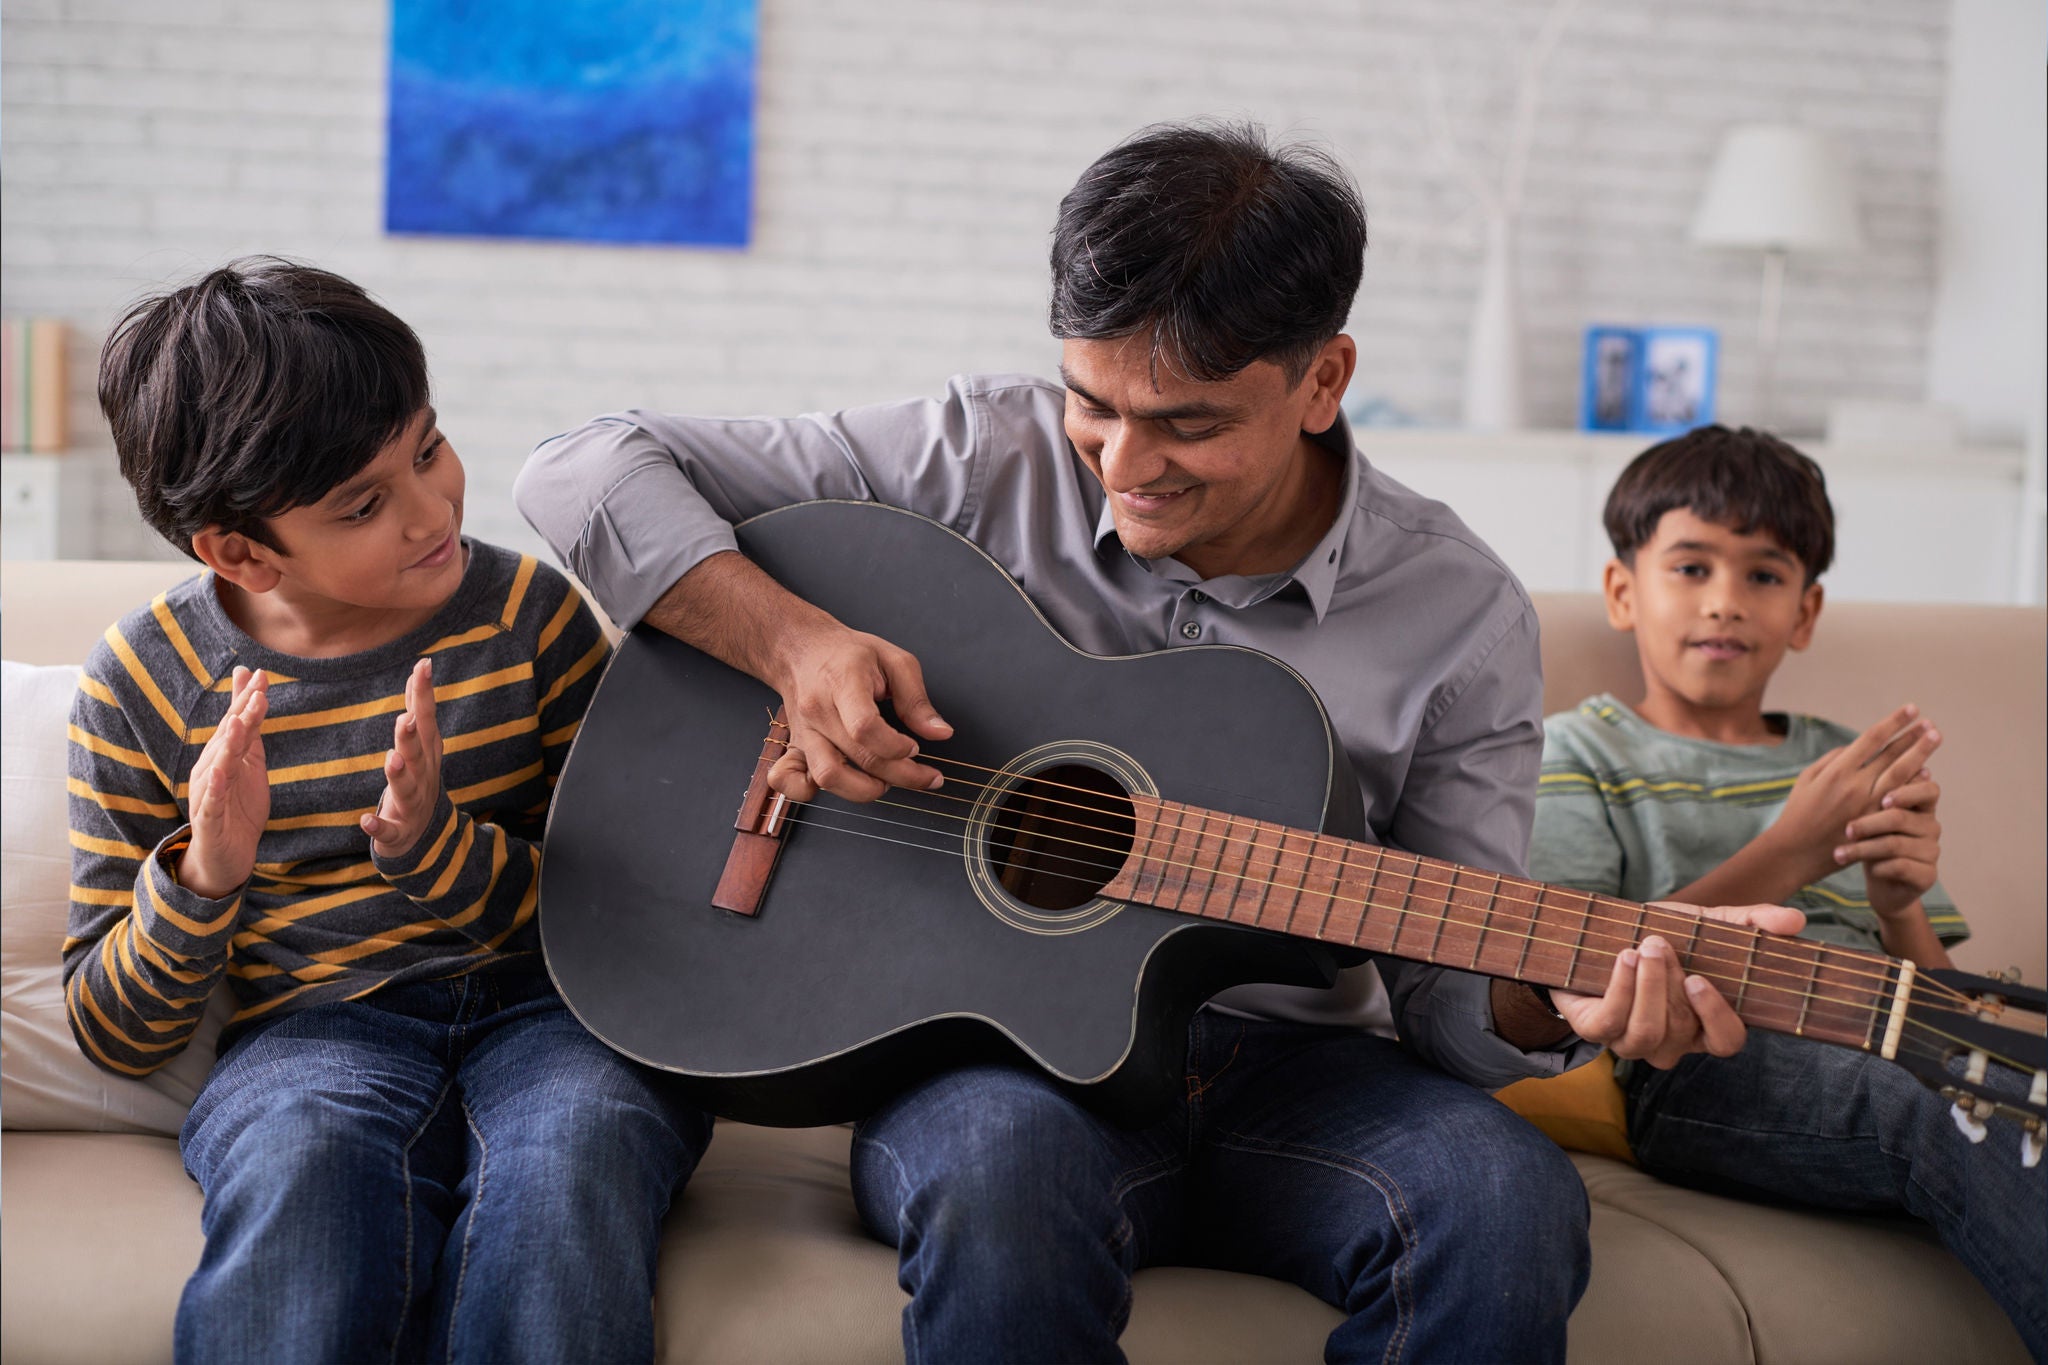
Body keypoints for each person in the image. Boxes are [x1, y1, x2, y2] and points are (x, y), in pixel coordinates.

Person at [516, 121, 1788, 1364]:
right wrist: (790, 647)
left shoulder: (1456, 613)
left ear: (1321, 380)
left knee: (1501, 1205)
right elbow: (580, 469)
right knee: (1000, 1183)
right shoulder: (979, 453)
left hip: (1299, 1073)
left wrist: (1553, 991)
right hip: (1000, 1062)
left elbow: (1453, 1006)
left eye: (1185, 424)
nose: (1123, 463)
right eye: (1092, 403)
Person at [67, 258, 710, 1365]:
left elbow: (632, 923)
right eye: (364, 505)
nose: (433, 511)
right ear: (237, 550)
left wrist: (436, 849)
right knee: (305, 1167)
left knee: (575, 1152)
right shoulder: (144, 681)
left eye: (427, 449)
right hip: (310, 1033)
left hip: (553, 1016)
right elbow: (115, 1033)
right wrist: (204, 876)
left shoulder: (527, 617)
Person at [1528, 424, 2046, 1359]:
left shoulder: (1836, 757)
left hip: (1893, 1025)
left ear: (1804, 613)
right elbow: (1564, 954)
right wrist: (1791, 850)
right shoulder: (1579, 751)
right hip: (1700, 1061)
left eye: (1763, 576)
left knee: (1979, 1074)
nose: (1725, 602)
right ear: (1622, 590)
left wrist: (1897, 902)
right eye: (1691, 567)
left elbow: (1944, 996)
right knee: (1938, 1099)